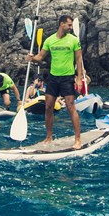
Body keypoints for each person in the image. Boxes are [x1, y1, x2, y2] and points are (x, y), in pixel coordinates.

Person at [28, 14, 87, 148]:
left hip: (67, 78)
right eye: (69, 25)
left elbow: (79, 60)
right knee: (48, 107)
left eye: (71, 25)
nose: (71, 27)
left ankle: (78, 139)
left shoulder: (73, 40)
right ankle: (49, 137)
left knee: (71, 107)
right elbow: (40, 57)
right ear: (62, 24)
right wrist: (32, 58)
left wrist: (79, 78)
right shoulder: (50, 40)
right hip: (53, 78)